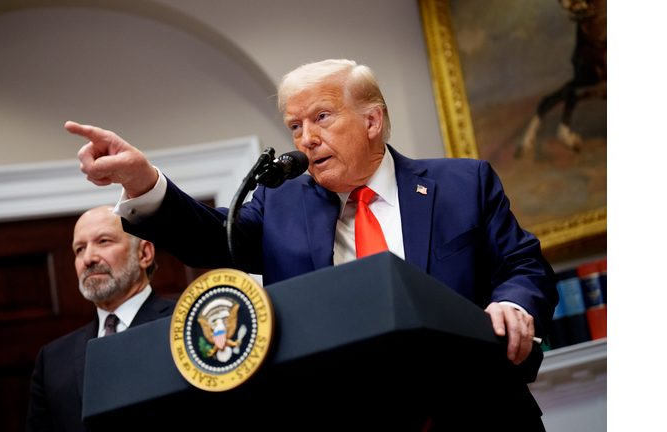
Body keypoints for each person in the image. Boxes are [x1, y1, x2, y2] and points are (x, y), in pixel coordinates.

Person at [66, 59, 557, 430]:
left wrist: (512, 303)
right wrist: (144, 181)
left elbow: (523, 265)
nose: (307, 138)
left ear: (372, 120)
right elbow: (213, 238)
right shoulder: (279, 204)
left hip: (480, 416)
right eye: (295, 126)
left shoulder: (461, 184)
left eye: (322, 117)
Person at [26, 206, 176, 432]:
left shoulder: (186, 325)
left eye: (104, 241)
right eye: (79, 249)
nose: (88, 258)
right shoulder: (52, 359)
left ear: (144, 253)